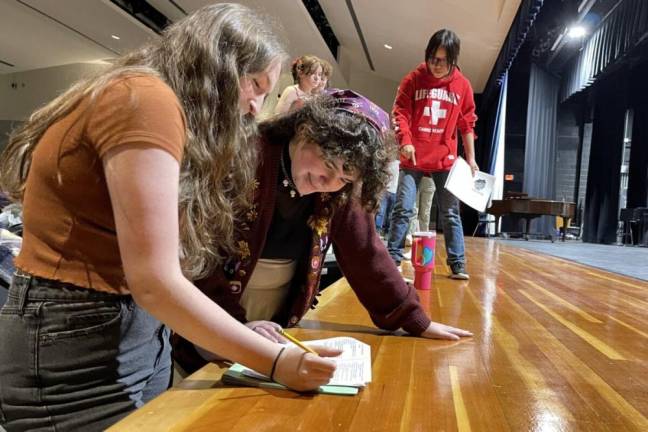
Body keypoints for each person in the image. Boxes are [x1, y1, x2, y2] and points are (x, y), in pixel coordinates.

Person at [0, 4, 340, 431]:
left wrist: (231, 336)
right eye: (255, 84)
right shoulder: (144, 99)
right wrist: (276, 362)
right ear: (219, 64)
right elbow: (155, 282)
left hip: (125, 329)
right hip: (77, 339)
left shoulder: (152, 99)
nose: (256, 107)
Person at [172, 90, 472, 374]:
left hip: (275, 319)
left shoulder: (338, 193)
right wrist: (236, 327)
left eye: (344, 177)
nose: (328, 180)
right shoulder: (246, 155)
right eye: (328, 163)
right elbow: (200, 251)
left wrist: (413, 318)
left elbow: (366, 254)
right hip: (212, 304)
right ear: (304, 131)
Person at [387, 29, 478, 280]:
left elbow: (467, 124)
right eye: (432, 59)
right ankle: (392, 259)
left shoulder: (462, 85)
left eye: (443, 61)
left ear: (453, 60)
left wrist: (470, 158)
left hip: (444, 159)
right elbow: (400, 113)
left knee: (450, 212)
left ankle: (457, 263)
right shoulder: (413, 79)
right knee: (403, 208)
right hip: (412, 156)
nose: (436, 66)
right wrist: (405, 141)